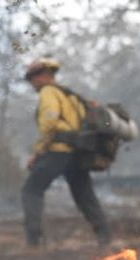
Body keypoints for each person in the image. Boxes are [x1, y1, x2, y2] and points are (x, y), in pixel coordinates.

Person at [20, 57, 112, 247]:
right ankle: (104, 237)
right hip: (77, 153)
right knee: (84, 195)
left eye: (32, 77)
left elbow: (49, 123)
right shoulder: (71, 96)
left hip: (58, 151)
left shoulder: (48, 92)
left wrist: (37, 153)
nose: (32, 83)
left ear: (44, 75)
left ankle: (33, 243)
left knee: (31, 190)